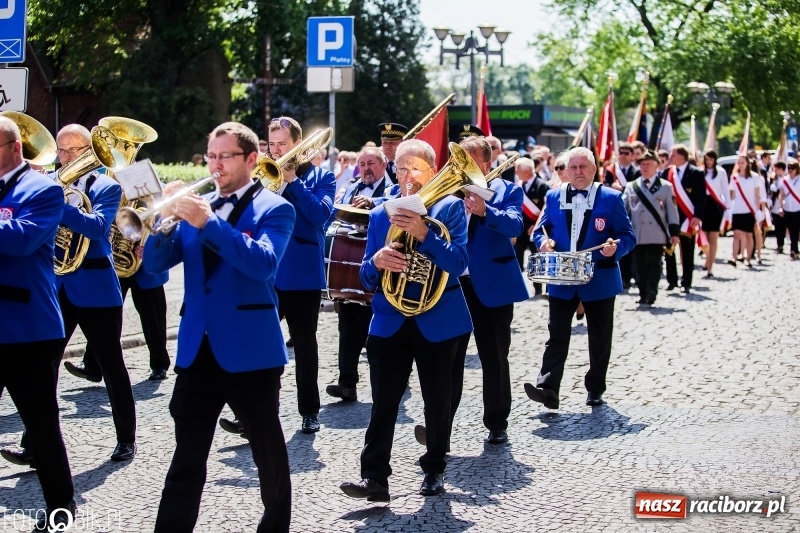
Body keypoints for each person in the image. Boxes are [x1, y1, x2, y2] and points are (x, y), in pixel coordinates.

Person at [145, 121, 295, 533]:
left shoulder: (276, 208)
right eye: (211, 156)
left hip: (251, 351)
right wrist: (160, 221)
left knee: (267, 454)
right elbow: (156, 265)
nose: (215, 165)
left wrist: (209, 223)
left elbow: (263, 264)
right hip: (197, 350)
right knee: (186, 458)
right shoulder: (198, 205)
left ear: (251, 159)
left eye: (224, 156)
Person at [340, 139, 471, 500]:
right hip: (390, 318)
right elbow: (366, 277)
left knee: (437, 399)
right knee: (384, 401)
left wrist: (425, 235)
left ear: (432, 171)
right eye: (400, 167)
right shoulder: (381, 212)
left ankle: (434, 469)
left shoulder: (450, 207)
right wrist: (378, 261)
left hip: (439, 318)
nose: (407, 175)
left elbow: (459, 264)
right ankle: (374, 477)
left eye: (415, 168)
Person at [0, 116, 76, 531]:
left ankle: (61, 511)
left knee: (42, 429)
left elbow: (22, 239)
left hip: (29, 329)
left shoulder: (44, 189)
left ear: (15, 148)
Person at [523, 146, 636, 408]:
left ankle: (595, 387)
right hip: (562, 279)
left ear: (594, 169)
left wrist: (614, 248)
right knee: (556, 334)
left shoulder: (610, 198)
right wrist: (543, 241)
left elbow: (628, 236)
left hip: (599, 280)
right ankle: (548, 387)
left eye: (583, 166)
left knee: (599, 337)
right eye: (572, 167)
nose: (577, 172)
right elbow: (540, 230)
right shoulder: (553, 196)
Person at [55, 124, 138, 462]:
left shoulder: (105, 186)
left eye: (73, 150)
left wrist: (56, 205)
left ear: (90, 150)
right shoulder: (49, 183)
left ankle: (126, 438)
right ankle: (35, 445)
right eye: (61, 151)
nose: (66, 157)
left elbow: (97, 227)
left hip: (97, 289)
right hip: (58, 286)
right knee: (44, 367)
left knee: (111, 364)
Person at [446, 135, 528, 445]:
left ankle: (497, 422)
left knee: (494, 357)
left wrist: (485, 211)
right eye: (457, 158)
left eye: (466, 159)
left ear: (485, 163)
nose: (459, 164)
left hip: (491, 286)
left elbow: (516, 225)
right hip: (453, 285)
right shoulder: (448, 191)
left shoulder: (507, 190)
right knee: (449, 359)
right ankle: (442, 423)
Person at [269, 116, 335, 433]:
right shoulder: (263, 178)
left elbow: (320, 215)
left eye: (282, 144)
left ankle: (309, 411)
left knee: (305, 346)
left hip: (302, 274)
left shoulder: (323, 177)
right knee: (262, 342)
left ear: (298, 144)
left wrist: (293, 182)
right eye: (272, 144)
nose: (276, 150)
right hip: (268, 272)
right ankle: (253, 411)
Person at [326, 146, 390, 402]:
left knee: (381, 332)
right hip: (351, 269)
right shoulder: (350, 186)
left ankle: (386, 384)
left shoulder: (392, 188)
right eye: (362, 163)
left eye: (371, 162)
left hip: (382, 270)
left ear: (384, 165)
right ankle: (347, 383)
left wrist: (374, 202)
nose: (365, 168)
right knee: (348, 328)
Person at [72, 251, 171, 382]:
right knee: (106, 315)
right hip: (118, 259)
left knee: (153, 316)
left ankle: (160, 365)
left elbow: (166, 230)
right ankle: (93, 365)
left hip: (145, 259)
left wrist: (152, 243)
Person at [624, 150, 680, 305]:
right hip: (638, 232)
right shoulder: (631, 186)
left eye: (648, 164)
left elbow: (672, 211)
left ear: (657, 166)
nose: (645, 167)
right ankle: (643, 293)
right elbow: (624, 209)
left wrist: (674, 232)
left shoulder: (665, 187)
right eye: (642, 164)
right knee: (640, 264)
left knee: (654, 263)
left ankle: (652, 290)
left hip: (657, 232)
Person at [664, 144, 706, 293]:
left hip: (688, 217)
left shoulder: (696, 173)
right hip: (671, 217)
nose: (670, 158)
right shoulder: (667, 172)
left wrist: (697, 216)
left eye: (673, 155)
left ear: (682, 157)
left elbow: (701, 197)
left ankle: (686, 282)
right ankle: (672, 280)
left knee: (687, 251)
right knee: (669, 250)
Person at [513, 157, 549, 295]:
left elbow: (546, 210)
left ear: (527, 171)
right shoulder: (518, 185)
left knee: (537, 260)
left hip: (535, 229)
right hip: (520, 230)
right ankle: (518, 288)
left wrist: (536, 225)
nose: (516, 172)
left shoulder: (542, 186)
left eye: (518, 170)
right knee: (517, 258)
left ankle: (538, 288)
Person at [700, 149, 730, 277]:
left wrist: (728, 209)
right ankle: (707, 259)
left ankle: (710, 266)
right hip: (703, 206)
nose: (709, 162)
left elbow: (725, 191)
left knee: (713, 238)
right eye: (707, 159)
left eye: (711, 159)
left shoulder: (721, 172)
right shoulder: (700, 172)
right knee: (704, 238)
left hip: (715, 206)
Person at [727, 155, 760, 267]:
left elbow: (757, 195)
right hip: (737, 209)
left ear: (747, 164)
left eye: (742, 162)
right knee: (736, 234)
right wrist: (729, 208)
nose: (741, 165)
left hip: (749, 210)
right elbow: (731, 194)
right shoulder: (734, 177)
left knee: (748, 235)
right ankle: (734, 257)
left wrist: (757, 210)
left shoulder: (754, 177)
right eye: (739, 162)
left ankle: (748, 258)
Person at [780, 160, 800, 259]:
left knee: (797, 229)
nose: (790, 170)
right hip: (788, 208)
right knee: (791, 229)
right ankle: (794, 249)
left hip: (798, 208)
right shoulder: (785, 180)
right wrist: (780, 207)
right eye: (789, 168)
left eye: (793, 168)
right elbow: (781, 194)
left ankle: (795, 248)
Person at [769, 162, 787, 254]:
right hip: (774, 205)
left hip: (783, 205)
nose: (775, 171)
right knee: (777, 226)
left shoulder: (785, 178)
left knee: (782, 226)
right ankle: (778, 244)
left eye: (776, 169)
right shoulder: (774, 179)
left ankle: (781, 244)